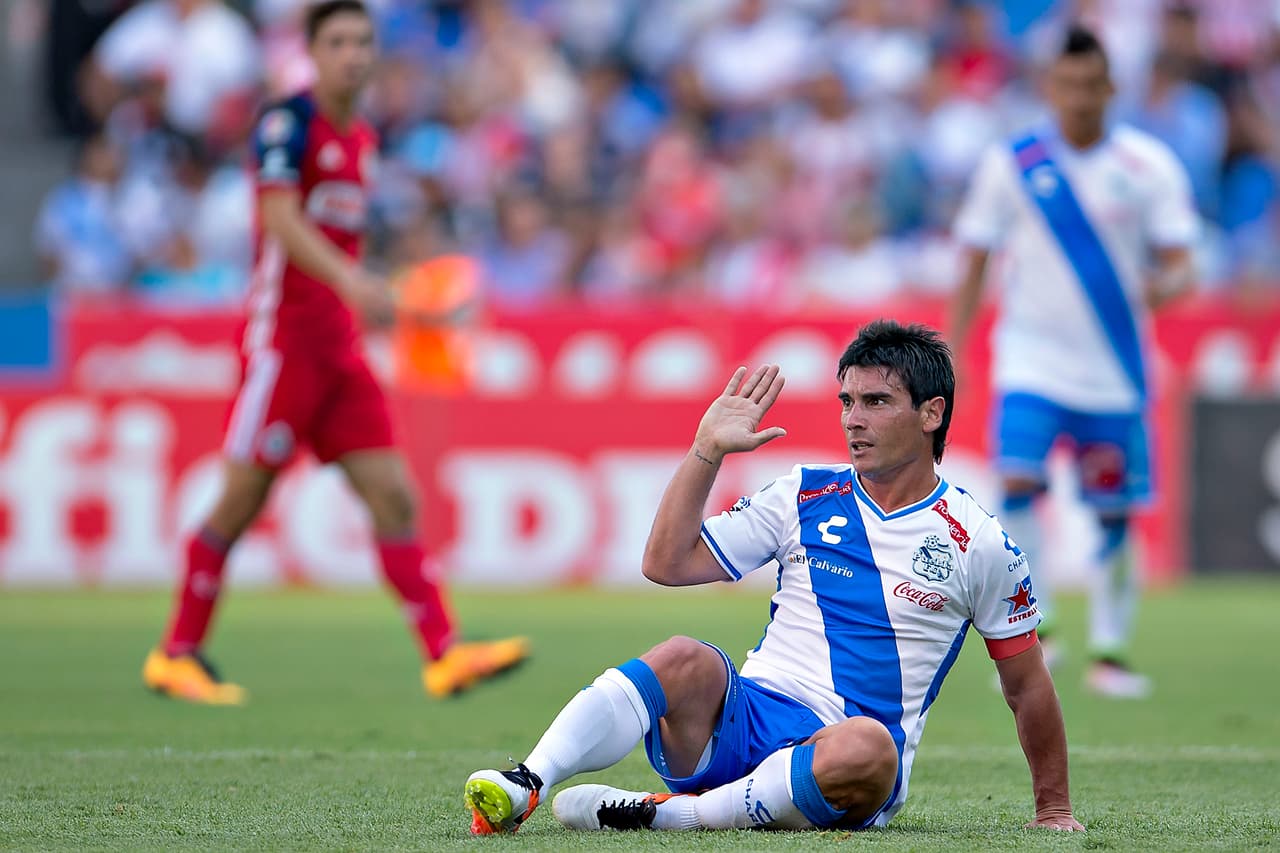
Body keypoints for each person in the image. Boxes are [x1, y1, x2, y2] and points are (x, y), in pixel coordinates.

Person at [462, 321, 1083, 835]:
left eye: (876, 402)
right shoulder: (804, 493)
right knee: (684, 657)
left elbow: (1026, 684)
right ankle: (526, 783)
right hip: (746, 723)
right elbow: (666, 564)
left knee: (870, 745)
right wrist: (707, 450)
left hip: (843, 763)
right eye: (847, 401)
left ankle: (673, 819)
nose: (853, 420)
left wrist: (1053, 809)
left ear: (931, 414)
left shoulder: (978, 541)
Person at [141, 0, 527, 705]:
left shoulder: (362, 139)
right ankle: (177, 652)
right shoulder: (287, 122)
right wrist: (352, 281)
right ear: (312, 53)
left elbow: (343, 241)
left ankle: (444, 652)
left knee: (394, 494)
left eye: (362, 41)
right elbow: (280, 220)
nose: (352, 53)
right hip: (283, 345)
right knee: (240, 498)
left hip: (338, 351)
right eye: (338, 41)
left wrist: (387, 291)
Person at [950, 25, 1197, 699]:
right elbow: (973, 255)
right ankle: (1045, 631)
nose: (1081, 97)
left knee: (1114, 511)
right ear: (1049, 87)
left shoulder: (1148, 167)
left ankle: (1110, 653)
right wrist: (956, 345)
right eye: (1068, 84)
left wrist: (1164, 286)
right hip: (1028, 360)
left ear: (1112, 87)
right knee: (1020, 480)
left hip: (1114, 369)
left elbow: (1182, 263)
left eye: (1093, 85)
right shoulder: (1014, 164)